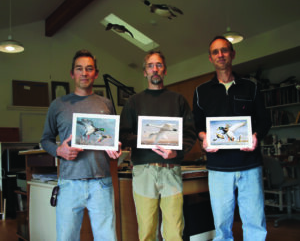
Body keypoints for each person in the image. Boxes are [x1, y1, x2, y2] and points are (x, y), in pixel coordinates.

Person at [193, 36, 271, 241]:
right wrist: (204, 137)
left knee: (255, 221)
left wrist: (255, 136)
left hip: (250, 165)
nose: (220, 55)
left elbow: (264, 121)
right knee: (221, 225)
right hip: (218, 168)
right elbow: (198, 126)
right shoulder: (201, 91)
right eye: (215, 52)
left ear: (232, 54)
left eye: (224, 50)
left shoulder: (250, 87)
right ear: (210, 58)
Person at [40, 49, 122, 241]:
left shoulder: (106, 104)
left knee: (107, 237)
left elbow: (112, 139)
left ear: (95, 73)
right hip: (69, 183)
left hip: (101, 182)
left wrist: (116, 147)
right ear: (72, 73)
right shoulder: (58, 105)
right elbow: (45, 140)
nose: (84, 73)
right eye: (79, 69)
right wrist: (59, 150)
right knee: (66, 237)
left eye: (89, 69)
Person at [119, 50, 196, 241]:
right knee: (146, 231)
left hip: (171, 170)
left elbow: (190, 133)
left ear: (165, 71)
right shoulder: (133, 102)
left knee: (174, 231)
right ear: (144, 72)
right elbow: (123, 134)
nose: (155, 69)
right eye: (150, 66)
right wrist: (146, 137)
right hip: (144, 171)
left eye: (159, 65)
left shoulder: (178, 100)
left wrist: (175, 152)